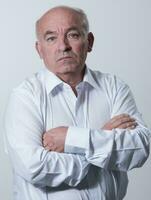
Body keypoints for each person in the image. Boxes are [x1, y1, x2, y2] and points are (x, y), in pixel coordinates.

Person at [4, 5, 151, 200]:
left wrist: (71, 140)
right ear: (39, 49)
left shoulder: (114, 87)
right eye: (51, 38)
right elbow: (34, 167)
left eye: (73, 35)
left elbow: (139, 148)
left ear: (89, 42)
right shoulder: (25, 96)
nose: (63, 46)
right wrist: (102, 139)